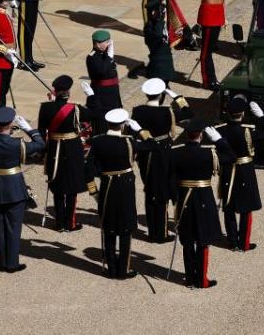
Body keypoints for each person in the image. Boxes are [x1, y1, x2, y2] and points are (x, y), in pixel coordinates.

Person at [168, 101, 236, 288]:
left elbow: (170, 179)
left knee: (188, 241)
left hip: (184, 201)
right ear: (200, 135)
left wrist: (175, 198)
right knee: (203, 241)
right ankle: (202, 280)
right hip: (204, 199)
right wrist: (220, 141)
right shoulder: (209, 154)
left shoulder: (176, 153)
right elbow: (231, 157)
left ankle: (190, 279)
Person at [86, 109, 158, 278]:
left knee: (109, 226)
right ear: (124, 125)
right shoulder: (129, 141)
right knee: (126, 227)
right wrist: (141, 130)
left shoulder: (97, 142)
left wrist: (93, 191)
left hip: (107, 186)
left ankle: (111, 269)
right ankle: (123, 269)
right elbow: (153, 145)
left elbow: (87, 169)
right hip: (125, 186)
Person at [0, 106, 45, 272]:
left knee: (0, 227)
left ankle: (2, 262)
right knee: (14, 228)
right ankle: (12, 264)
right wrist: (29, 129)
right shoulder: (17, 144)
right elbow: (40, 144)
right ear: (11, 123)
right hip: (15, 188)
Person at [217, 95, 264, 252]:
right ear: (242, 113)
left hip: (228, 170)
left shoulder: (221, 130)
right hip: (245, 170)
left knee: (229, 207)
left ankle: (233, 241)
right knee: (245, 208)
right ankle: (244, 243)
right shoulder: (247, 131)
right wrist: (261, 116)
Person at [37, 75, 91, 232]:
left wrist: (46, 145)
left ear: (55, 91)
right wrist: (91, 96)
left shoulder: (45, 108)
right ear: (68, 93)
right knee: (72, 187)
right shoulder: (75, 109)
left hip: (54, 148)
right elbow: (94, 115)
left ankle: (59, 223)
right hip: (73, 149)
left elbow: (41, 130)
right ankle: (70, 222)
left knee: (57, 185)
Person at [130, 79, 179, 243]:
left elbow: (133, 133)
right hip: (163, 153)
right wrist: (176, 96)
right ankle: (161, 233)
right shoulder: (167, 111)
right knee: (162, 192)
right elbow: (188, 113)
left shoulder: (137, 111)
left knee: (150, 190)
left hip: (145, 154)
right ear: (161, 95)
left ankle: (152, 231)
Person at [84, 30, 122, 135]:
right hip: (102, 96)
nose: (108, 44)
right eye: (106, 42)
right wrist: (109, 57)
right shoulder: (92, 57)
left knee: (115, 120)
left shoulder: (105, 54)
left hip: (113, 94)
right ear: (97, 44)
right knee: (103, 124)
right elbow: (102, 70)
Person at [144, 0, 176, 84]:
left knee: (165, 86)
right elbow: (157, 36)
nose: (164, 14)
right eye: (162, 11)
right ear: (154, 13)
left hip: (166, 61)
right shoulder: (150, 26)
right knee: (159, 87)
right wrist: (159, 21)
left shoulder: (163, 23)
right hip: (158, 63)